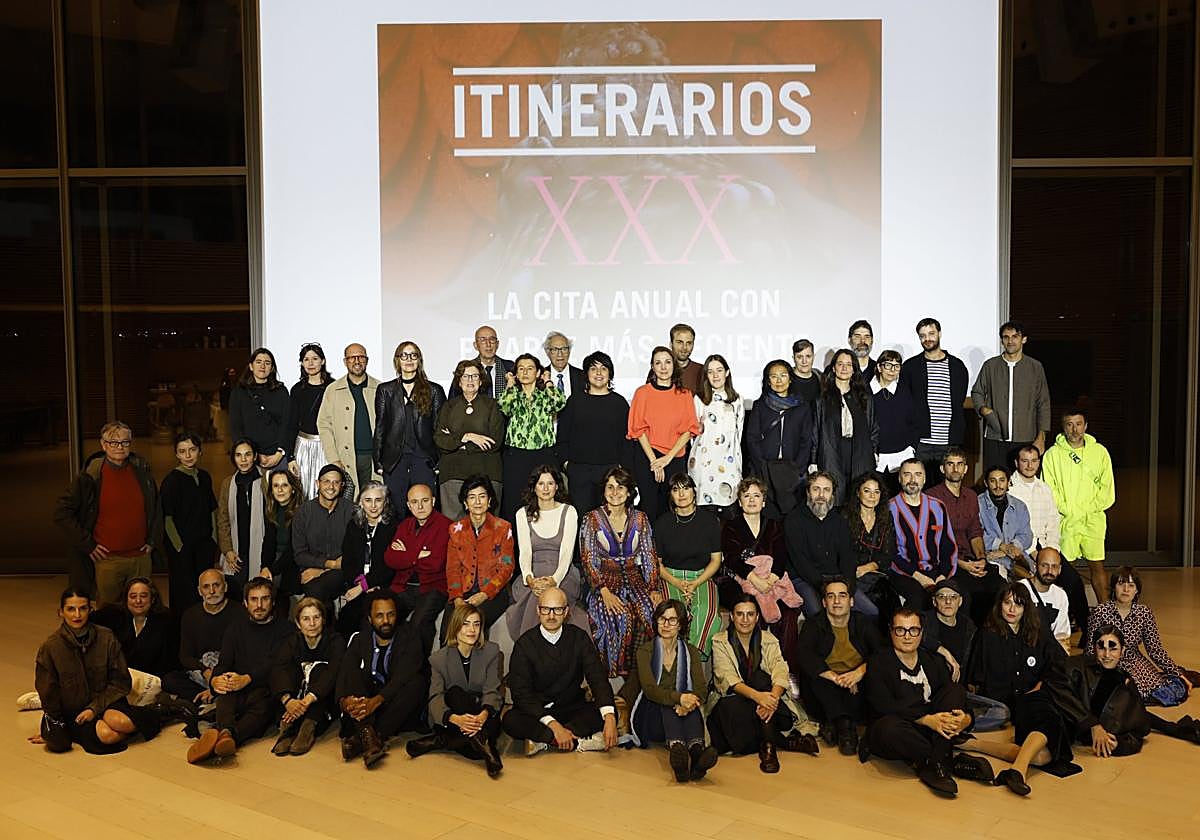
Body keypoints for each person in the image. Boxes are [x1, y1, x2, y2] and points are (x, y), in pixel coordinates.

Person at [863, 608, 993, 797]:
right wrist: (926, 720)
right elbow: (882, 705)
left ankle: (934, 763)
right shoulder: (878, 662)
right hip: (898, 727)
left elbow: (948, 699)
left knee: (955, 689)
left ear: (921, 633)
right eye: (900, 630)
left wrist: (966, 719)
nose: (907, 636)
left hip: (930, 727)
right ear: (891, 632)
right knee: (888, 728)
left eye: (913, 630)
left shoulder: (932, 660)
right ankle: (946, 760)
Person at [962, 583, 1072, 795]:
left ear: (1026, 608)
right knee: (1039, 750)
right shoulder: (987, 635)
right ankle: (1015, 767)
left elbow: (1059, 662)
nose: (1012, 609)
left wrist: (1042, 684)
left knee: (1043, 755)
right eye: (1007, 603)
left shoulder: (1037, 632)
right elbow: (975, 678)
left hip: (1031, 699)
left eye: (1018, 604)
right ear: (999, 605)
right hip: (1003, 703)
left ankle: (1003, 763)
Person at [34, 587, 158, 754]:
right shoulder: (50, 647)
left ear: (90, 610)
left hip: (107, 700)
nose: (77, 615)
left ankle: (160, 712)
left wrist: (95, 708)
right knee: (107, 735)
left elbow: (121, 682)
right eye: (71, 609)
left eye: (83, 608)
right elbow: (48, 692)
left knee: (120, 722)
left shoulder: (106, 637)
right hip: (74, 712)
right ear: (61, 612)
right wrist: (55, 726)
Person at [54, 420, 162, 605]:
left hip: (141, 558)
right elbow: (62, 513)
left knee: (142, 611)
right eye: (113, 442)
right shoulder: (91, 476)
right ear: (103, 445)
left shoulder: (142, 471)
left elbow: (157, 508)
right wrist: (88, 545)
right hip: (108, 560)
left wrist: (153, 540)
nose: (119, 447)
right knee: (108, 613)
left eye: (125, 442)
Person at [708, 594, 819, 772]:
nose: (745, 620)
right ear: (732, 616)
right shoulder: (720, 641)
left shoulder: (768, 639)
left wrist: (771, 699)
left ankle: (768, 747)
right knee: (752, 691)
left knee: (762, 679)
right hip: (734, 702)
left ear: (757, 617)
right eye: (740, 614)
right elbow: (727, 678)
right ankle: (786, 742)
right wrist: (760, 698)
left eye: (750, 614)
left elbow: (780, 669)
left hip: (769, 703)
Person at [501, 587, 619, 754]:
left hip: (571, 707)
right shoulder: (525, 644)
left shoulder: (579, 638)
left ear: (566, 612)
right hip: (539, 712)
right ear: (538, 611)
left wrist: (609, 717)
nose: (551, 616)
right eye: (546, 609)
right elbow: (521, 694)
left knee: (609, 712)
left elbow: (597, 677)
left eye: (557, 610)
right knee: (510, 720)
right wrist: (554, 725)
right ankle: (572, 740)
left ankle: (549, 740)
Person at [187, 577, 292, 763]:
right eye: (253, 599)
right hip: (237, 685)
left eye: (265, 599)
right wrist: (216, 680)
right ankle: (225, 734)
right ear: (245, 603)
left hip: (265, 687)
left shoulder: (286, 629)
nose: (259, 605)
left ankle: (226, 735)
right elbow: (225, 661)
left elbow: (276, 664)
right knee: (226, 689)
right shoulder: (236, 628)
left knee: (263, 706)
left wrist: (248, 678)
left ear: (273, 602)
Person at [1052, 625, 1200, 755]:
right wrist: (1092, 724)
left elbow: (1138, 731)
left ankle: (1176, 728)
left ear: (1122, 651)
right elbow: (1059, 691)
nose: (1107, 654)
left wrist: (1117, 745)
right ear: (1094, 649)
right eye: (1101, 647)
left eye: (1113, 648)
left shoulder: (1126, 685)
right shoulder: (1074, 667)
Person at [580, 466, 663, 677]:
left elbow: (649, 555)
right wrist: (603, 591)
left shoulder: (641, 518)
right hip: (604, 582)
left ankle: (643, 674)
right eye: (610, 487)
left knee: (649, 613)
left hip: (636, 580)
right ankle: (612, 675)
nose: (614, 492)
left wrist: (653, 588)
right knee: (619, 617)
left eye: (620, 487)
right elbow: (588, 560)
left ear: (629, 492)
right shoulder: (591, 519)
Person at [406, 603, 504, 777]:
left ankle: (441, 741)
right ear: (455, 627)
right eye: (465, 624)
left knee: (475, 752)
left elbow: (492, 690)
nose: (472, 630)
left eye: (476, 624)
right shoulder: (438, 659)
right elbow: (435, 698)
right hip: (452, 717)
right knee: (455, 693)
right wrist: (456, 719)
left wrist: (483, 715)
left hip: (482, 713)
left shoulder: (491, 651)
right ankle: (486, 747)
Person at [628, 599, 718, 782]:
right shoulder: (645, 651)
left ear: (681, 624)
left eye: (672, 620)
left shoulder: (691, 652)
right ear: (656, 622)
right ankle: (679, 750)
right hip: (651, 715)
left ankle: (695, 756)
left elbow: (700, 689)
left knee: (689, 701)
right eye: (662, 619)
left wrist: (687, 705)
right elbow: (651, 690)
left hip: (685, 714)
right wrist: (680, 699)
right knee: (670, 702)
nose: (666, 625)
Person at [337, 589, 429, 767]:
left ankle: (363, 739)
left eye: (390, 615)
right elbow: (345, 672)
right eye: (379, 616)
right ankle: (370, 737)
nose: (386, 621)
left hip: (395, 707)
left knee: (417, 682)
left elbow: (403, 677)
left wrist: (377, 701)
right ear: (370, 619)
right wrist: (344, 701)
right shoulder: (359, 639)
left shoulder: (410, 636)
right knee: (354, 673)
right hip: (366, 705)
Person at [795, 577, 884, 755]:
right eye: (831, 596)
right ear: (824, 602)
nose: (837, 601)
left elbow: (882, 653)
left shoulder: (863, 623)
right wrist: (835, 677)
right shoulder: (814, 624)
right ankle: (846, 727)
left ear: (851, 601)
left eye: (842, 596)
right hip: (826, 687)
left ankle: (835, 724)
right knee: (818, 680)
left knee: (872, 678)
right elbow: (804, 655)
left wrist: (859, 672)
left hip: (856, 686)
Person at [1085, 567, 1195, 706]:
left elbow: (1155, 649)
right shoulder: (1100, 611)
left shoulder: (1144, 613)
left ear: (1136, 590)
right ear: (1113, 587)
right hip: (1107, 661)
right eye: (1121, 584)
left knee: (1163, 693)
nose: (1126, 589)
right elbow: (1090, 648)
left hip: (1134, 661)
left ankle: (1181, 673)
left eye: (1131, 585)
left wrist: (1177, 673)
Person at [720, 477, 800, 665]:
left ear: (763, 502)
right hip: (739, 581)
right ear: (739, 502)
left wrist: (770, 579)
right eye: (746, 496)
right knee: (752, 606)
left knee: (790, 612)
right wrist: (755, 580)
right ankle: (755, 665)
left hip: (771, 580)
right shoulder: (731, 526)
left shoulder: (774, 525)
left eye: (756, 495)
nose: (752, 500)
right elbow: (732, 558)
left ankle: (785, 665)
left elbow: (781, 556)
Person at [1042, 409, 1115, 610]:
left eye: (1078, 424)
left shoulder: (1099, 452)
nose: (1074, 429)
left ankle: (1105, 612)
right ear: (1063, 427)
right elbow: (1050, 489)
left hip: (1093, 519)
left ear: (1086, 426)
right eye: (1069, 424)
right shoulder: (1052, 455)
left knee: (1097, 565)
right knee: (1066, 570)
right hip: (1066, 520)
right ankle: (1069, 612)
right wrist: (1069, 511)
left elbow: (1107, 491)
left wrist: (1085, 510)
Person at [507, 466, 586, 639]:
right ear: (534, 487)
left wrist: (553, 580)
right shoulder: (522, 513)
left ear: (557, 486)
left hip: (562, 574)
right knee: (535, 597)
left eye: (550, 483)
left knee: (551, 598)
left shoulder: (569, 511)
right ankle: (531, 650)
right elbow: (525, 552)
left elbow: (566, 554)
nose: (545, 488)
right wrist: (530, 579)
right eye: (541, 483)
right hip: (533, 574)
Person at [927, 450, 1005, 626]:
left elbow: (975, 531)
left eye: (959, 464)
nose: (955, 469)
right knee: (968, 595)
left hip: (971, 560)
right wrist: (962, 564)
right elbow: (933, 540)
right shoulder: (932, 497)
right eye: (950, 464)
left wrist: (981, 558)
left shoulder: (970, 496)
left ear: (965, 469)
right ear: (942, 468)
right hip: (946, 562)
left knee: (1002, 589)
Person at [920, 579, 1010, 733]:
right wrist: (943, 651)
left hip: (959, 691)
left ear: (960, 601)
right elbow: (910, 635)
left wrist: (972, 682)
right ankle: (946, 724)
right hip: (929, 690)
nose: (948, 601)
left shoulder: (969, 626)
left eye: (953, 597)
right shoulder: (924, 620)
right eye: (942, 597)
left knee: (1002, 711)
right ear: (934, 602)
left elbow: (975, 658)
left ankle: (955, 725)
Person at [784, 472, 873, 617]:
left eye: (826, 490)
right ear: (808, 492)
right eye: (816, 489)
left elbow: (847, 557)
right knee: (818, 614)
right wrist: (828, 590)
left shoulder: (839, 521)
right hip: (804, 579)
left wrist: (847, 589)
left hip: (837, 578)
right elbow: (801, 563)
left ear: (832, 495)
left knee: (870, 611)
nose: (821, 495)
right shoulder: (793, 520)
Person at [627, 346, 700, 522]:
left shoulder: (684, 394)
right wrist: (655, 462)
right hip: (648, 457)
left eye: (667, 362)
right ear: (652, 367)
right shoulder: (642, 393)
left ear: (674, 365)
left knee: (673, 507)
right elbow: (638, 430)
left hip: (674, 458)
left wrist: (667, 459)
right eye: (658, 363)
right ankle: (648, 548)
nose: (663, 367)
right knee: (649, 506)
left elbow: (689, 430)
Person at [556, 350, 632, 515]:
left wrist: (620, 467)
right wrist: (567, 465)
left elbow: (628, 439)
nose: (599, 373)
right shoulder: (574, 401)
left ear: (610, 374)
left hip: (610, 472)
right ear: (586, 374)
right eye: (593, 368)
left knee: (608, 521)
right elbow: (562, 436)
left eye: (604, 368)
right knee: (582, 521)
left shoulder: (619, 403)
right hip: (579, 472)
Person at [654, 473, 722, 657]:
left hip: (702, 576)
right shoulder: (662, 524)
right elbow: (657, 565)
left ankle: (689, 659)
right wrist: (677, 582)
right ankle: (678, 661)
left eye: (686, 488)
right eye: (676, 489)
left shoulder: (710, 522)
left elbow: (716, 560)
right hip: (670, 577)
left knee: (706, 614)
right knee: (674, 613)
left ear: (694, 492)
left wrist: (696, 582)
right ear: (670, 495)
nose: (681, 494)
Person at [374, 340, 447, 511]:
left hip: (424, 458)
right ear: (397, 360)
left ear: (419, 360)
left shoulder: (434, 390)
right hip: (395, 460)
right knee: (397, 509)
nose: (408, 359)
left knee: (425, 509)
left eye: (413, 355)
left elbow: (439, 428)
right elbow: (380, 426)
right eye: (404, 355)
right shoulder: (385, 390)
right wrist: (378, 461)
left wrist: (439, 461)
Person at [269, 597, 345, 756]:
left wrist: (305, 702)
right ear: (298, 623)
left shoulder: (335, 641)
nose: (312, 623)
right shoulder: (291, 642)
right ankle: (288, 730)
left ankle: (306, 729)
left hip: (320, 702)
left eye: (316, 617)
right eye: (306, 619)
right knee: (286, 671)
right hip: (295, 698)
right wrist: (288, 701)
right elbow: (278, 670)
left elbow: (333, 673)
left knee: (320, 669)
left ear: (323, 620)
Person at [971, 321, 1051, 471]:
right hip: (995, 437)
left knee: (1022, 484)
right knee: (995, 479)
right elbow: (977, 392)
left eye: (1015, 336)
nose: (1010, 341)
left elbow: (1043, 403)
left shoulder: (1035, 367)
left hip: (1026, 437)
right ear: (1001, 341)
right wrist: (984, 410)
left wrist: (1041, 437)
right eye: (1006, 337)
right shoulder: (990, 366)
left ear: (1024, 339)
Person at [498, 353, 567, 523]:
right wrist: (510, 384)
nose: (525, 372)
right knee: (514, 501)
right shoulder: (514, 395)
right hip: (517, 456)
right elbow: (504, 406)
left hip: (543, 455)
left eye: (530, 368)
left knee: (546, 499)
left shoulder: (545, 396)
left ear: (537, 373)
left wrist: (548, 381)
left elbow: (559, 402)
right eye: (520, 369)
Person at [434, 359, 506, 520]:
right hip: (453, 473)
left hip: (487, 471)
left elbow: (495, 441)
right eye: (466, 376)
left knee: (489, 527)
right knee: (455, 527)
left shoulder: (492, 405)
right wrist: (468, 437)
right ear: (459, 381)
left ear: (481, 381)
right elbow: (440, 439)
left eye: (474, 376)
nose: (470, 380)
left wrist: (458, 443)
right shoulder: (449, 406)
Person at [443, 476, 514, 636]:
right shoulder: (455, 530)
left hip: (492, 593)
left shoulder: (503, 528)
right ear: (465, 503)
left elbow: (507, 568)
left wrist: (484, 594)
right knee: (448, 633)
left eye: (482, 496)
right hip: (463, 591)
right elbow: (452, 568)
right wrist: (457, 598)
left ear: (489, 501)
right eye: (472, 497)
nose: (477, 502)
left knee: (473, 627)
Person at [385, 483, 451, 656]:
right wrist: (418, 555)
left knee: (419, 623)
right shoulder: (404, 525)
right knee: (381, 613)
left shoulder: (446, 526)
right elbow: (390, 558)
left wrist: (406, 553)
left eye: (425, 501)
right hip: (403, 585)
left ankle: (419, 670)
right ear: (408, 505)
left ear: (433, 501)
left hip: (433, 587)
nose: (420, 506)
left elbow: (436, 562)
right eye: (414, 502)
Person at [745, 359, 815, 518]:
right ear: (768, 381)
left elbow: (806, 440)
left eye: (783, 375)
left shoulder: (801, 407)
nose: (779, 380)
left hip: (792, 471)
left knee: (792, 518)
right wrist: (762, 466)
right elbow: (752, 438)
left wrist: (798, 468)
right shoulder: (760, 405)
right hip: (765, 470)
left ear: (790, 379)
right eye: (774, 376)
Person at [901, 318, 969, 479]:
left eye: (931, 334)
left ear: (939, 333)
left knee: (947, 488)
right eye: (922, 336)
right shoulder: (910, 367)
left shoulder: (957, 366)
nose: (927, 339)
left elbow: (959, 402)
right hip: (922, 442)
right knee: (918, 487)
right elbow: (906, 403)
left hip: (949, 441)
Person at [164, 569, 243, 706]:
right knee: (169, 680)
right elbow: (185, 656)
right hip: (202, 672)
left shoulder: (240, 613)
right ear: (200, 591)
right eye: (206, 587)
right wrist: (207, 673)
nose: (212, 591)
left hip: (229, 673)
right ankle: (212, 698)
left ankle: (210, 698)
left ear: (225, 587)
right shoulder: (190, 615)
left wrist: (218, 681)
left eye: (216, 585)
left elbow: (243, 655)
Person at [886, 458, 958, 610]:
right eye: (907, 474)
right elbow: (890, 552)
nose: (912, 480)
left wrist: (943, 576)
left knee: (959, 598)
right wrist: (919, 577)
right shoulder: (888, 509)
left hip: (937, 572)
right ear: (899, 478)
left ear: (924, 479)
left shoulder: (938, 506)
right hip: (905, 573)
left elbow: (948, 545)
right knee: (920, 601)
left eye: (918, 474)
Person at [159, 432, 217, 615]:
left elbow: (211, 510)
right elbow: (167, 518)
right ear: (176, 454)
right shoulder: (172, 481)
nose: (188, 455)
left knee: (207, 592)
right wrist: (180, 547)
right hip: (182, 549)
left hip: (204, 546)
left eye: (192, 450)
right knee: (185, 594)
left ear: (200, 451)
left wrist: (214, 540)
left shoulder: (205, 477)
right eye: (182, 451)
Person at [814, 348, 878, 505]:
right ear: (834, 368)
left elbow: (873, 428)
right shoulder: (822, 398)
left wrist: (874, 452)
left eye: (849, 364)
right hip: (832, 452)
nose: (844, 368)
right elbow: (815, 432)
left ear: (854, 369)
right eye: (840, 364)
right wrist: (813, 460)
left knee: (858, 497)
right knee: (835, 496)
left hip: (859, 453)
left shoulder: (864, 397)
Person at [337, 481, 401, 634]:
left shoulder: (393, 527)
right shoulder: (354, 525)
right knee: (346, 618)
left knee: (370, 616)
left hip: (383, 585)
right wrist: (359, 584)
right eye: (368, 500)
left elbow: (388, 566)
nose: (373, 506)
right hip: (357, 583)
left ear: (385, 502)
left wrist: (364, 586)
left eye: (378, 500)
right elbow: (348, 561)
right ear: (360, 502)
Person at [317, 343, 381, 496]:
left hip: (373, 459)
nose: (357, 361)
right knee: (349, 504)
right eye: (352, 358)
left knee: (374, 501)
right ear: (345, 361)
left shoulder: (380, 388)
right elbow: (324, 425)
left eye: (361, 357)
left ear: (367, 360)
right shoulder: (333, 390)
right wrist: (333, 459)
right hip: (345, 458)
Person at [92, 577, 177, 679]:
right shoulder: (112, 615)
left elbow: (169, 659)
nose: (138, 601)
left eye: (143, 596)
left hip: (153, 679)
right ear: (126, 599)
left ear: (153, 599)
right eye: (133, 596)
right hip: (119, 678)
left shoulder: (166, 620)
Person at [292, 463, 354, 603]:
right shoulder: (303, 513)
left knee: (317, 590)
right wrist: (330, 564)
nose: (331, 487)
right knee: (315, 590)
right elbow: (300, 554)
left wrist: (323, 570)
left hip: (343, 572)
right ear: (317, 484)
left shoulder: (351, 511)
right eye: (326, 481)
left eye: (336, 482)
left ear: (342, 486)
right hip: (311, 569)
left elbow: (356, 552)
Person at [688, 354, 744, 509]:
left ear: (727, 372)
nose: (715, 375)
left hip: (729, 464)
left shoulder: (737, 400)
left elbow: (739, 432)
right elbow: (694, 433)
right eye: (710, 371)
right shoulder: (699, 399)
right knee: (705, 511)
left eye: (719, 370)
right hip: (703, 465)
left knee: (729, 509)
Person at [216, 438, 266, 599]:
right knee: (236, 594)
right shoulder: (227, 484)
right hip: (236, 551)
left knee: (258, 593)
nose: (243, 460)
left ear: (255, 456)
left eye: (247, 454)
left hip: (260, 548)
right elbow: (222, 520)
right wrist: (227, 550)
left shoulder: (266, 480)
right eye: (238, 455)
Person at [841, 472, 897, 614]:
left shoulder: (885, 517)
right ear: (858, 493)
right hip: (849, 576)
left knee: (892, 608)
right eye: (867, 491)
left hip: (875, 576)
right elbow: (839, 552)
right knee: (872, 612)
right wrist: (854, 571)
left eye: (876, 492)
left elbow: (889, 553)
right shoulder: (844, 516)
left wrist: (868, 567)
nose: (872, 496)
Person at [228, 348, 290, 471]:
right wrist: (253, 455)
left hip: (277, 456)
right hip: (250, 458)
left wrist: (279, 454)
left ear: (272, 368)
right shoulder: (239, 392)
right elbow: (236, 428)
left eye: (267, 363)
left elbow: (287, 424)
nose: (262, 366)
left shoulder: (281, 391)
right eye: (258, 362)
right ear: (251, 366)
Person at [286, 342, 333, 499]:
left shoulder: (333, 388)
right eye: (306, 359)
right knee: (303, 493)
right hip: (303, 447)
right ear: (301, 363)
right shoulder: (297, 390)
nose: (311, 363)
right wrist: (290, 458)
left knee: (328, 491)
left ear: (323, 361)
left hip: (327, 447)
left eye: (315, 358)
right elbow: (291, 425)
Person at [871, 349, 918, 494]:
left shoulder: (905, 391)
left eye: (897, 366)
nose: (892, 370)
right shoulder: (866, 392)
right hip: (875, 458)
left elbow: (914, 422)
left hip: (901, 456)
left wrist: (911, 447)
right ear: (879, 367)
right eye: (888, 365)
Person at [979, 465, 1034, 580]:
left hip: (1016, 558)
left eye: (1002, 480)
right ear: (986, 483)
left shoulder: (1020, 506)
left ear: (1008, 482)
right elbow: (976, 535)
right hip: (990, 559)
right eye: (993, 481)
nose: (998, 486)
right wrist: (999, 545)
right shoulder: (976, 504)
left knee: (1032, 581)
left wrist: (1007, 550)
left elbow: (1027, 536)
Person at [1019, 548, 1072, 648]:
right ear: (1035, 566)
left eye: (1054, 566)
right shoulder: (1020, 589)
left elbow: (1062, 635)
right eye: (1044, 565)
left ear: (1060, 569)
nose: (1049, 571)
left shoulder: (1061, 595)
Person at [261, 469, 302, 595]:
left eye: (284, 485)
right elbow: (268, 543)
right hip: (276, 560)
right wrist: (265, 567)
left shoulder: (302, 513)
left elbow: (293, 549)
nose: (280, 490)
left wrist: (272, 571)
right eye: (276, 486)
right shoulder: (271, 510)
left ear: (293, 489)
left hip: (296, 561)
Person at [449, 325, 514, 400]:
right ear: (475, 345)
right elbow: (453, 401)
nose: (488, 344)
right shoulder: (466, 369)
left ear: (497, 344)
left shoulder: (509, 367)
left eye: (492, 339)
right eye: (483, 340)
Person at [543, 330, 586, 401]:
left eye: (564, 349)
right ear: (547, 352)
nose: (560, 354)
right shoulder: (540, 377)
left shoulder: (583, 376)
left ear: (569, 351)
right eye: (555, 349)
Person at [670, 322, 704, 394]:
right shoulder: (661, 370)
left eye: (689, 343)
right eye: (679, 342)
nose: (684, 347)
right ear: (671, 344)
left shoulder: (702, 371)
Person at [787, 338, 821, 409]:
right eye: (800, 357)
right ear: (793, 358)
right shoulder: (786, 380)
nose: (804, 361)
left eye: (808, 356)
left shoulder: (821, 378)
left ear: (813, 357)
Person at [847, 319, 877, 384]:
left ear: (872, 341)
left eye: (867, 336)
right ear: (849, 340)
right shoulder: (841, 370)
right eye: (857, 336)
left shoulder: (879, 370)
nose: (862, 341)